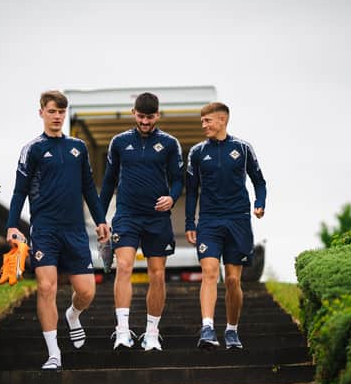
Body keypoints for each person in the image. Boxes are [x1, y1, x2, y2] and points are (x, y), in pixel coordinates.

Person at [6, 90, 110, 370]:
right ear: (41, 112)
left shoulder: (78, 148)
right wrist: (12, 225)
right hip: (45, 230)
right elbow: (20, 191)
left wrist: (100, 219)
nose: (57, 117)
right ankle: (54, 354)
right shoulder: (33, 149)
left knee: (87, 291)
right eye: (52, 111)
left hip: (75, 231)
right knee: (46, 287)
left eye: (61, 112)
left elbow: (88, 186)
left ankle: (73, 316)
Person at [99, 92, 184, 351]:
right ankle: (122, 331)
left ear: (158, 115)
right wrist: (101, 217)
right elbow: (109, 181)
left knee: (157, 275)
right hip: (126, 215)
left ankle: (151, 333)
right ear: (133, 112)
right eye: (141, 116)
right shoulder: (119, 142)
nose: (145, 121)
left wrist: (172, 197)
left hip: (157, 218)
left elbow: (179, 179)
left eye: (150, 117)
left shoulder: (170, 144)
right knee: (123, 267)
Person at [184, 102, 267, 349]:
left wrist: (259, 203)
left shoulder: (242, 148)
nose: (203, 125)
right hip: (209, 221)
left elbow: (259, 181)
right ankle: (207, 328)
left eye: (207, 121)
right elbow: (191, 192)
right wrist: (191, 222)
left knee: (232, 280)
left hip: (238, 219)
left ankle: (231, 330)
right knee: (209, 272)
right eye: (202, 121)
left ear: (222, 120)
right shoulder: (197, 152)